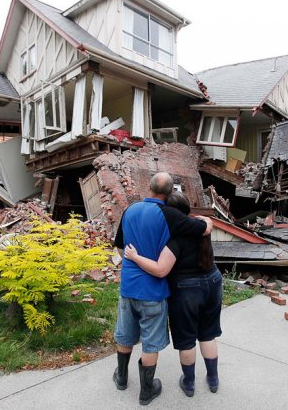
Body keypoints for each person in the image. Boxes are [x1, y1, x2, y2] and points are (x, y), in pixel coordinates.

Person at [112, 172, 212, 406]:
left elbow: (119, 246)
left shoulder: (130, 210)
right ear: (169, 193)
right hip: (153, 292)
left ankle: (122, 378)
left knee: (125, 334)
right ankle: (147, 391)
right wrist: (208, 221)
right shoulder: (170, 215)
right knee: (150, 342)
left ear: (149, 187)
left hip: (128, 287)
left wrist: (131, 264)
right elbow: (202, 230)